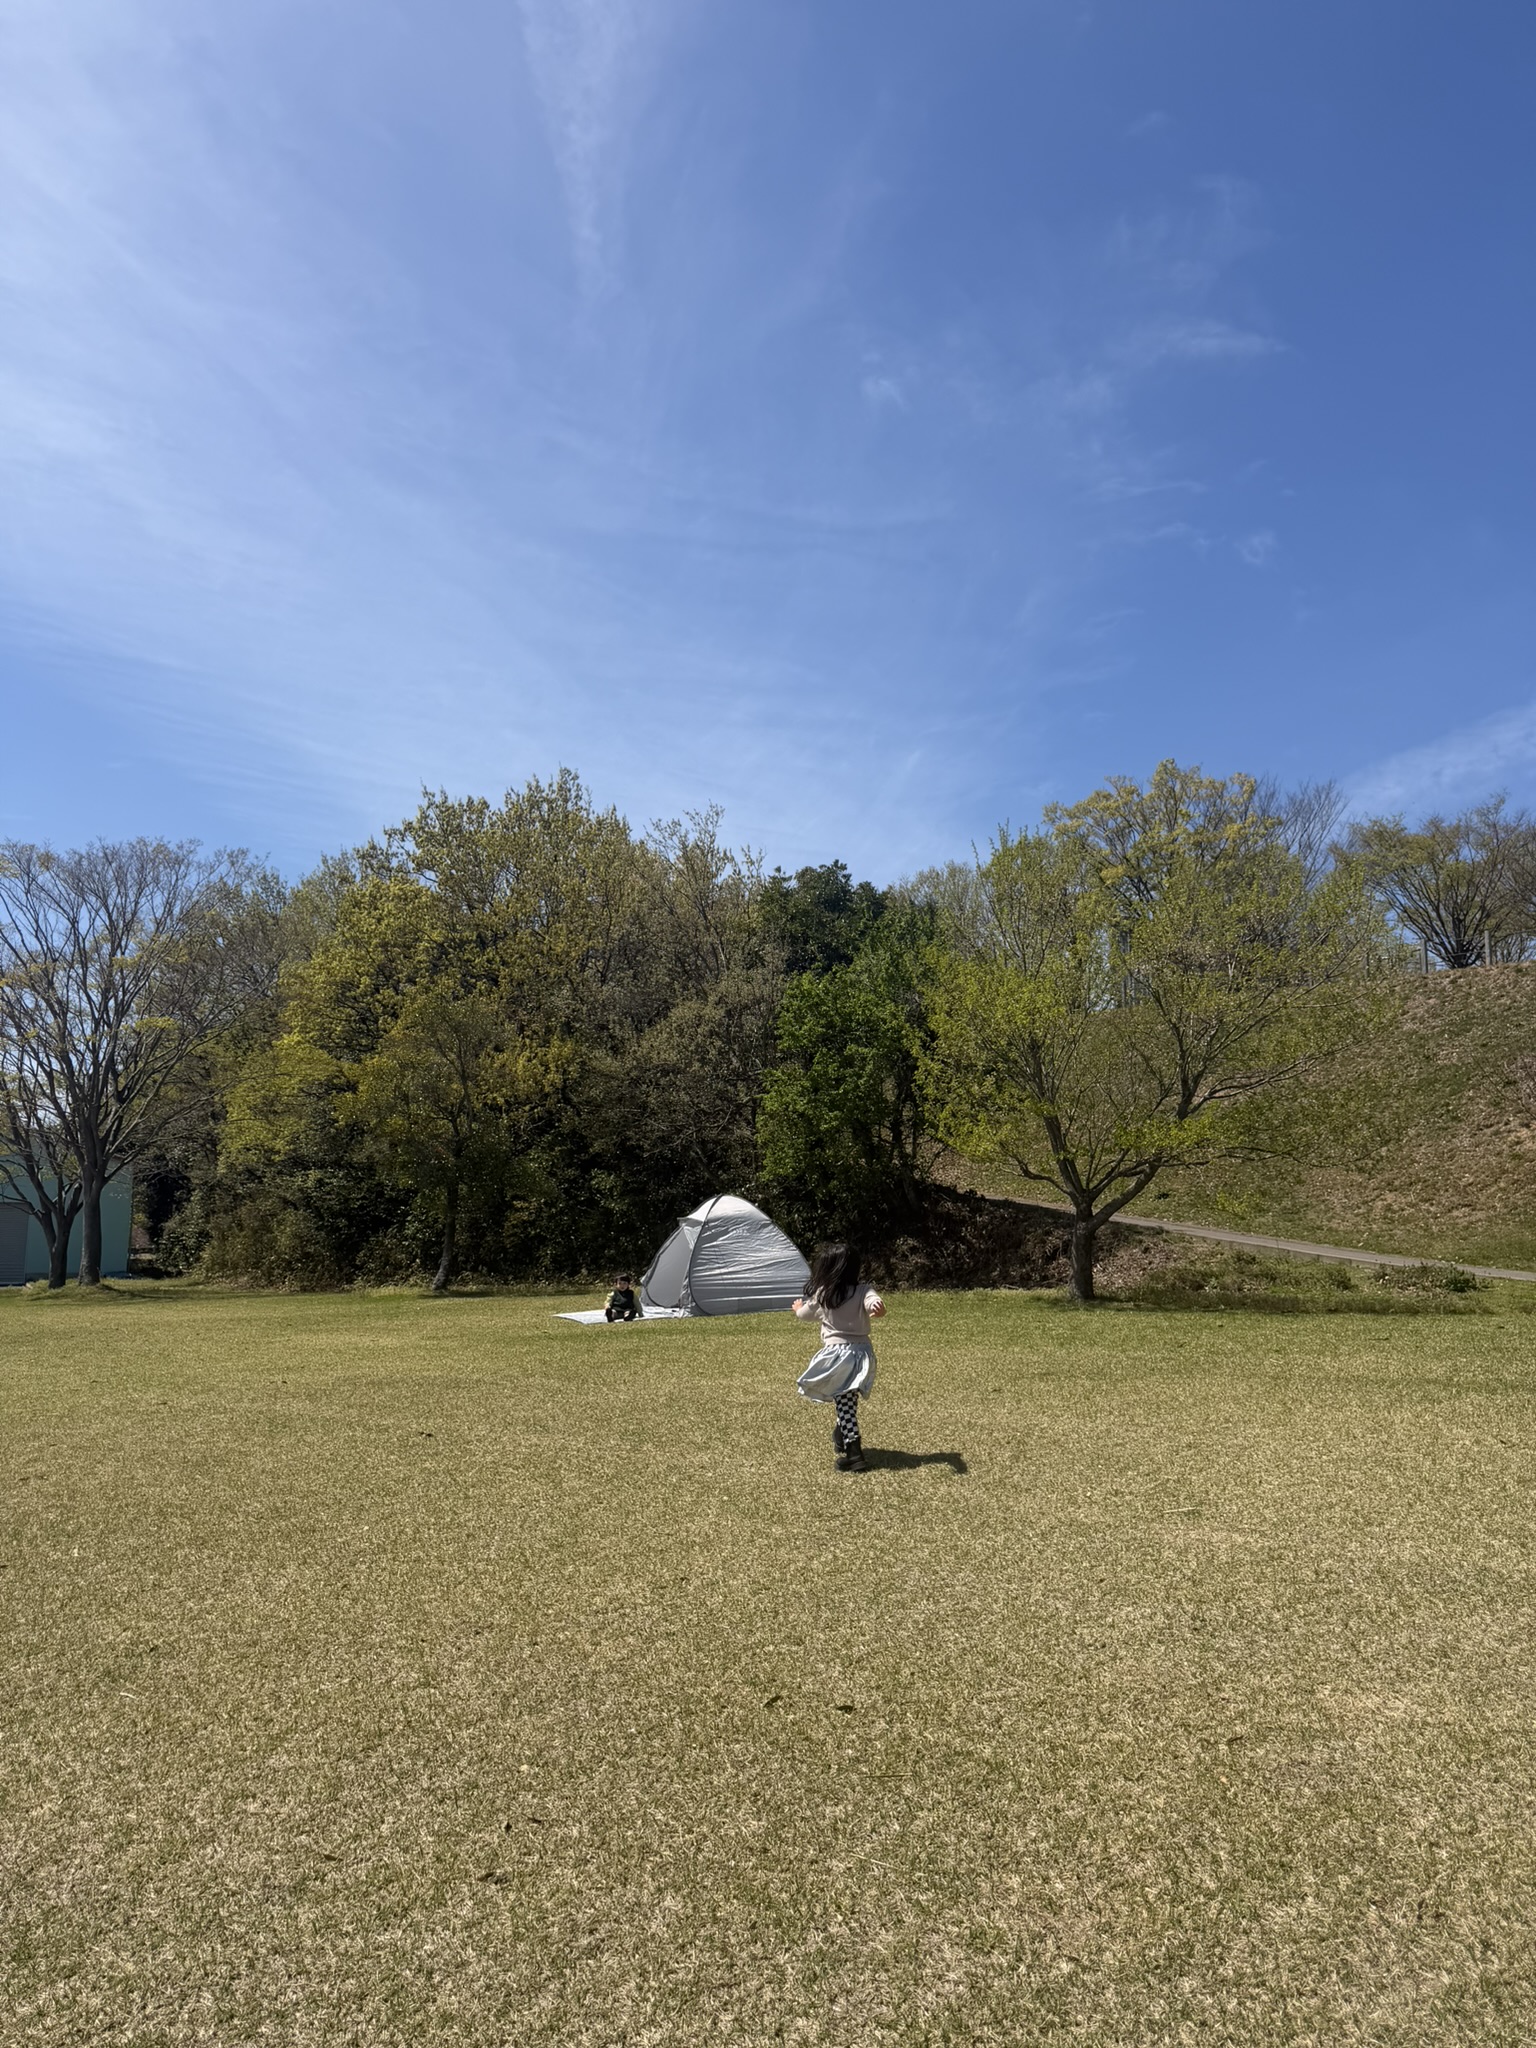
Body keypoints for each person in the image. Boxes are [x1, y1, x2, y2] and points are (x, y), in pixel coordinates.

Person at [793, 1243, 886, 1474]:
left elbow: (805, 1314)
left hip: (838, 1355)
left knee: (844, 1402)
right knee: (847, 1398)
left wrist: (797, 1308)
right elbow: (872, 1301)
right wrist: (876, 1307)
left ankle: (855, 1454)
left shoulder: (824, 1293)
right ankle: (840, 1433)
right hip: (862, 1353)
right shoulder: (863, 1290)